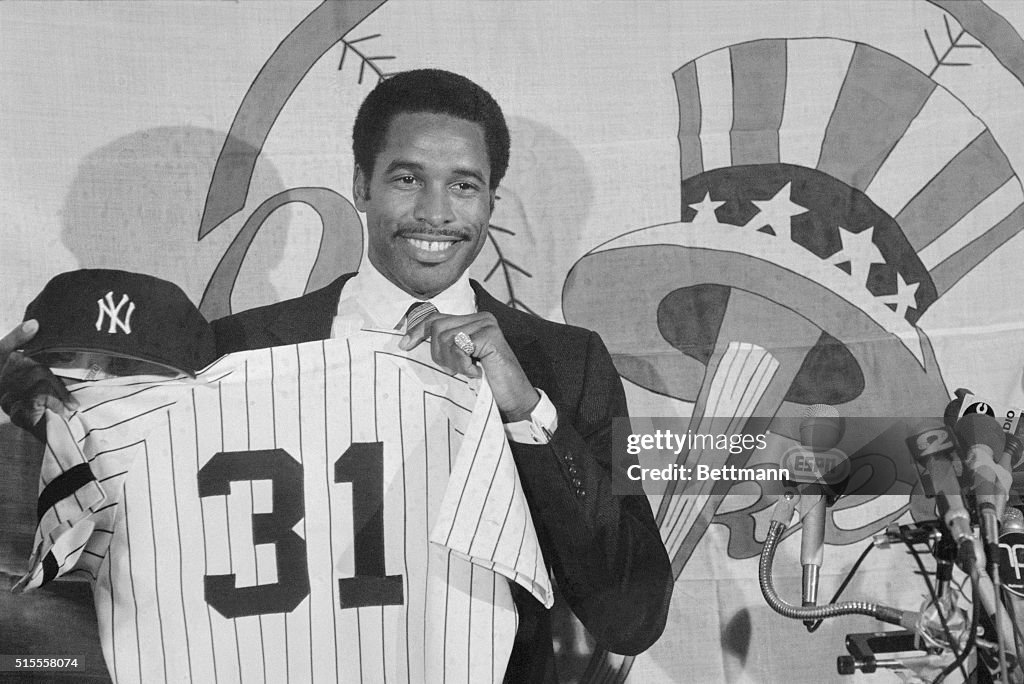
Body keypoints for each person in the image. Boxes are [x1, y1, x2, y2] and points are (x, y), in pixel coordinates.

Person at [2, 69, 672, 682]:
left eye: (463, 185)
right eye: (407, 178)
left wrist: (527, 413)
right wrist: (40, 428)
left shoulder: (568, 362)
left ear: (491, 201)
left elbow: (632, 613)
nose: (436, 211)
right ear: (360, 185)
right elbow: (120, 551)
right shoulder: (236, 349)